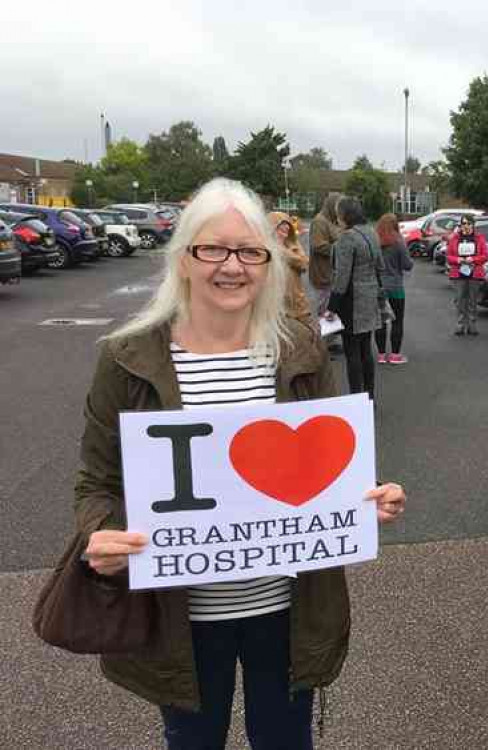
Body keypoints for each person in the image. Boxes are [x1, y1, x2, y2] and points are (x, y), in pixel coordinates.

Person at [77, 177, 406, 750]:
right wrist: (100, 534)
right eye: (214, 249)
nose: (233, 266)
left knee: (284, 739)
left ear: (270, 263)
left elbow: (327, 461)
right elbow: (97, 482)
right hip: (182, 616)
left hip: (287, 609)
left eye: (251, 252)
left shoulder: (300, 350)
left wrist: (369, 493)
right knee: (193, 741)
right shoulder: (127, 358)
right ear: (184, 258)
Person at [326, 196, 384, 399]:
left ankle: (356, 400)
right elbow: (380, 266)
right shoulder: (372, 232)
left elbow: (342, 277)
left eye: (338, 212)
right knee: (366, 350)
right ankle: (369, 397)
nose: (337, 216)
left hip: (352, 300)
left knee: (352, 353)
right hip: (369, 297)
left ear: (344, 215)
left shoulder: (347, 238)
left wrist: (331, 307)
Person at [373, 212, 413, 364]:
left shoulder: (375, 242)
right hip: (396, 287)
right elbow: (407, 265)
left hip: (379, 286)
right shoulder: (399, 242)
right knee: (397, 321)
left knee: (380, 321)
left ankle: (382, 355)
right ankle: (395, 355)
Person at [267, 211, 313, 330]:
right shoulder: (265, 249)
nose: (285, 231)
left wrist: (283, 251)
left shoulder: (293, 245)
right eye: (281, 228)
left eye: (287, 228)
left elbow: (304, 264)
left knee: (305, 335)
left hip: (297, 301)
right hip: (275, 304)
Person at [445, 214, 488, 336]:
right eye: (463, 223)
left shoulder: (479, 238)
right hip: (458, 273)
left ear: (473, 225)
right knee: (459, 300)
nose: (466, 226)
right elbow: (448, 256)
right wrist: (458, 260)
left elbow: (485, 255)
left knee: (472, 300)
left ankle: (472, 324)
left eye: (468, 223)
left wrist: (473, 259)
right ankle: (460, 324)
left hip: (474, 272)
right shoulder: (455, 238)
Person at [308, 193, 341, 314]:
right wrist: (340, 248)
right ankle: (322, 331)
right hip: (322, 272)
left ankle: (327, 329)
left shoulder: (332, 221)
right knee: (322, 308)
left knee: (329, 307)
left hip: (331, 273)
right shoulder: (319, 221)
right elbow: (318, 246)